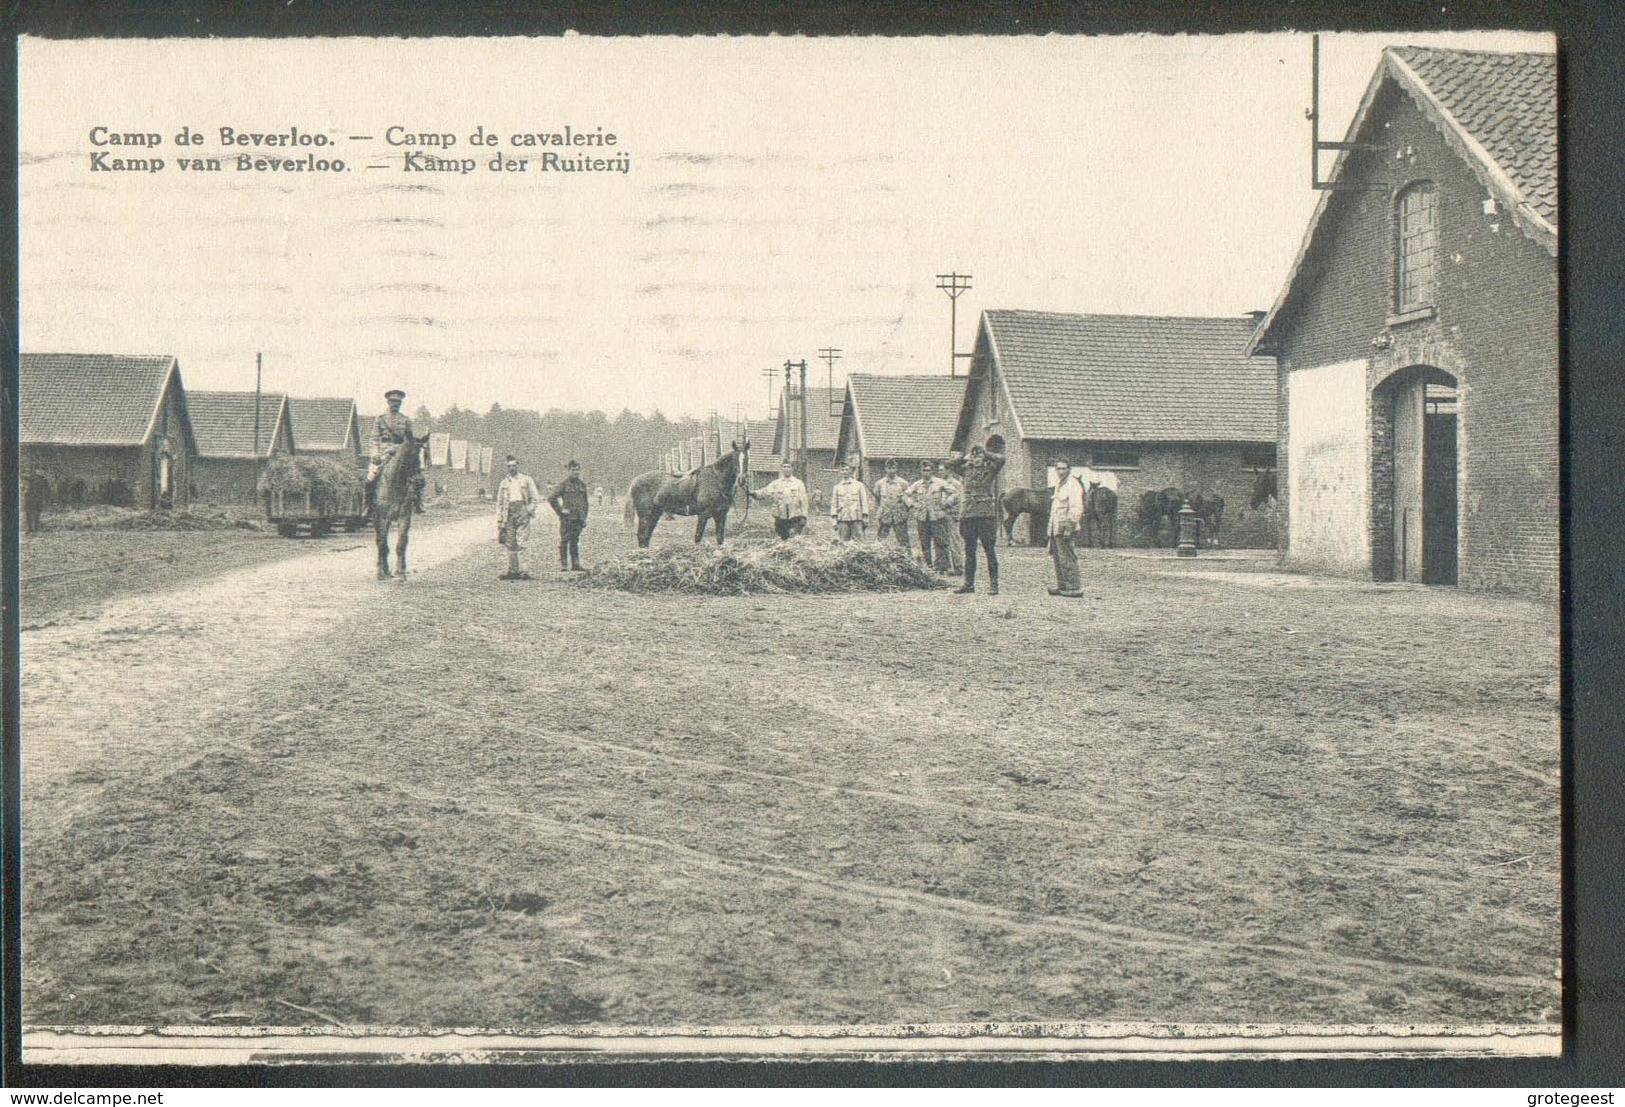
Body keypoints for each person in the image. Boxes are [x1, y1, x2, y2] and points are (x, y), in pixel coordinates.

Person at [946, 436, 1006, 595]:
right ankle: (968, 584)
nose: (976, 459)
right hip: (968, 514)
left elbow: (1001, 460)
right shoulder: (966, 469)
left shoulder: (990, 468)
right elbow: (949, 464)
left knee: (989, 549)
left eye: (979, 456)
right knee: (969, 550)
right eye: (975, 456)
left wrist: (986, 453)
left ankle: (994, 584)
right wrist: (965, 455)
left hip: (986, 514)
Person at [367, 388, 425, 514]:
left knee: (417, 476)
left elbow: (409, 440)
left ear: (401, 403)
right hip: (383, 453)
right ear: (388, 402)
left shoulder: (406, 420)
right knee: (370, 478)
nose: (395, 404)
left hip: (401, 452)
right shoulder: (380, 419)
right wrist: (375, 454)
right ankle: (368, 506)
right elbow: (374, 439)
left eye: (398, 402)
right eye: (393, 401)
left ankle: (418, 503)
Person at [496, 455, 542, 580]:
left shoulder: (526, 480)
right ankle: (512, 571)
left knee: (522, 541)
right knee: (510, 542)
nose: (511, 468)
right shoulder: (504, 483)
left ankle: (524, 571)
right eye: (509, 466)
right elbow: (500, 503)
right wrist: (500, 519)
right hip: (509, 513)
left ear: (518, 466)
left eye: (513, 466)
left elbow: (535, 498)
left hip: (522, 510)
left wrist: (528, 510)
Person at [1047, 458, 1087, 597]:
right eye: (1059, 468)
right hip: (1056, 527)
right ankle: (1063, 585)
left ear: (1069, 469)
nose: (1061, 471)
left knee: (1068, 557)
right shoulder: (1059, 484)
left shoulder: (1073, 485)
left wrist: (1069, 527)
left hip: (1065, 527)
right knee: (1059, 558)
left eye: (1064, 468)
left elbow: (1076, 507)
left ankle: (1074, 587)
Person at [905, 460, 953, 571]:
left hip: (937, 516)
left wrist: (946, 503)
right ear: (921, 471)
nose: (926, 473)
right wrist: (913, 504)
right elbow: (906, 495)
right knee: (924, 543)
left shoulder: (940, 482)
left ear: (932, 471)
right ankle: (928, 566)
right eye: (923, 470)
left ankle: (942, 567)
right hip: (922, 517)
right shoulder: (917, 484)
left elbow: (954, 493)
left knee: (941, 542)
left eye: (928, 470)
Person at [548, 459, 591, 571]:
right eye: (573, 470)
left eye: (577, 470)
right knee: (564, 540)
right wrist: (560, 511)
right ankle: (564, 564)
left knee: (575, 540)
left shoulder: (582, 485)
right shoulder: (564, 485)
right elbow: (552, 498)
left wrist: (584, 517)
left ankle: (576, 564)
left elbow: (585, 503)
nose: (575, 472)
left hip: (578, 518)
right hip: (567, 518)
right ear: (568, 471)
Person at [748, 462, 810, 539]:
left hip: (795, 517)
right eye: (784, 467)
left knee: (794, 539)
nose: (786, 469)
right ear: (781, 469)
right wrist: (754, 493)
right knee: (782, 539)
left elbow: (804, 501)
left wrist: (804, 516)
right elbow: (765, 492)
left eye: (789, 467)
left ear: (792, 469)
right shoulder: (776, 483)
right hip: (780, 517)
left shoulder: (798, 483)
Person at [871, 459, 912, 554]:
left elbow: (908, 500)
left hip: (899, 516)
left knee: (903, 540)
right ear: (885, 469)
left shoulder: (903, 483)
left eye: (893, 468)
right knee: (881, 539)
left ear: (897, 469)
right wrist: (879, 512)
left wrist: (906, 513)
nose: (891, 471)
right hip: (885, 515)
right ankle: (878, 557)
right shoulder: (879, 484)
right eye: (889, 468)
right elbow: (877, 499)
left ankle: (909, 559)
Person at [829, 462, 872, 541]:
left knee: (859, 541)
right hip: (843, 519)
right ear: (840, 472)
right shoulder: (837, 487)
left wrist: (865, 516)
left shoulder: (859, 485)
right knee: (843, 541)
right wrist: (834, 519)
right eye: (842, 470)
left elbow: (864, 502)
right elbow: (834, 504)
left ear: (850, 471)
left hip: (856, 518)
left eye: (847, 469)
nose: (845, 472)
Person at [937, 461, 966, 575]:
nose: (939, 473)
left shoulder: (956, 484)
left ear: (949, 471)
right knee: (943, 541)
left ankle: (958, 567)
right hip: (940, 515)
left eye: (941, 470)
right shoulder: (939, 483)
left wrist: (956, 515)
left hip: (951, 515)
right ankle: (945, 566)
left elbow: (961, 500)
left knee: (954, 541)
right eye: (938, 471)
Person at [22, 466, 49, 534]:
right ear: (37, 471)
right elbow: (25, 478)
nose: (40, 472)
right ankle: (29, 528)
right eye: (39, 470)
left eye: (42, 471)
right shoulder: (32, 477)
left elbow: (46, 490)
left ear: (44, 472)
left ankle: (35, 529)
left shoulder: (44, 480)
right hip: (30, 497)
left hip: (38, 498)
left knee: (36, 514)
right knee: (28, 512)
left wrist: (45, 499)